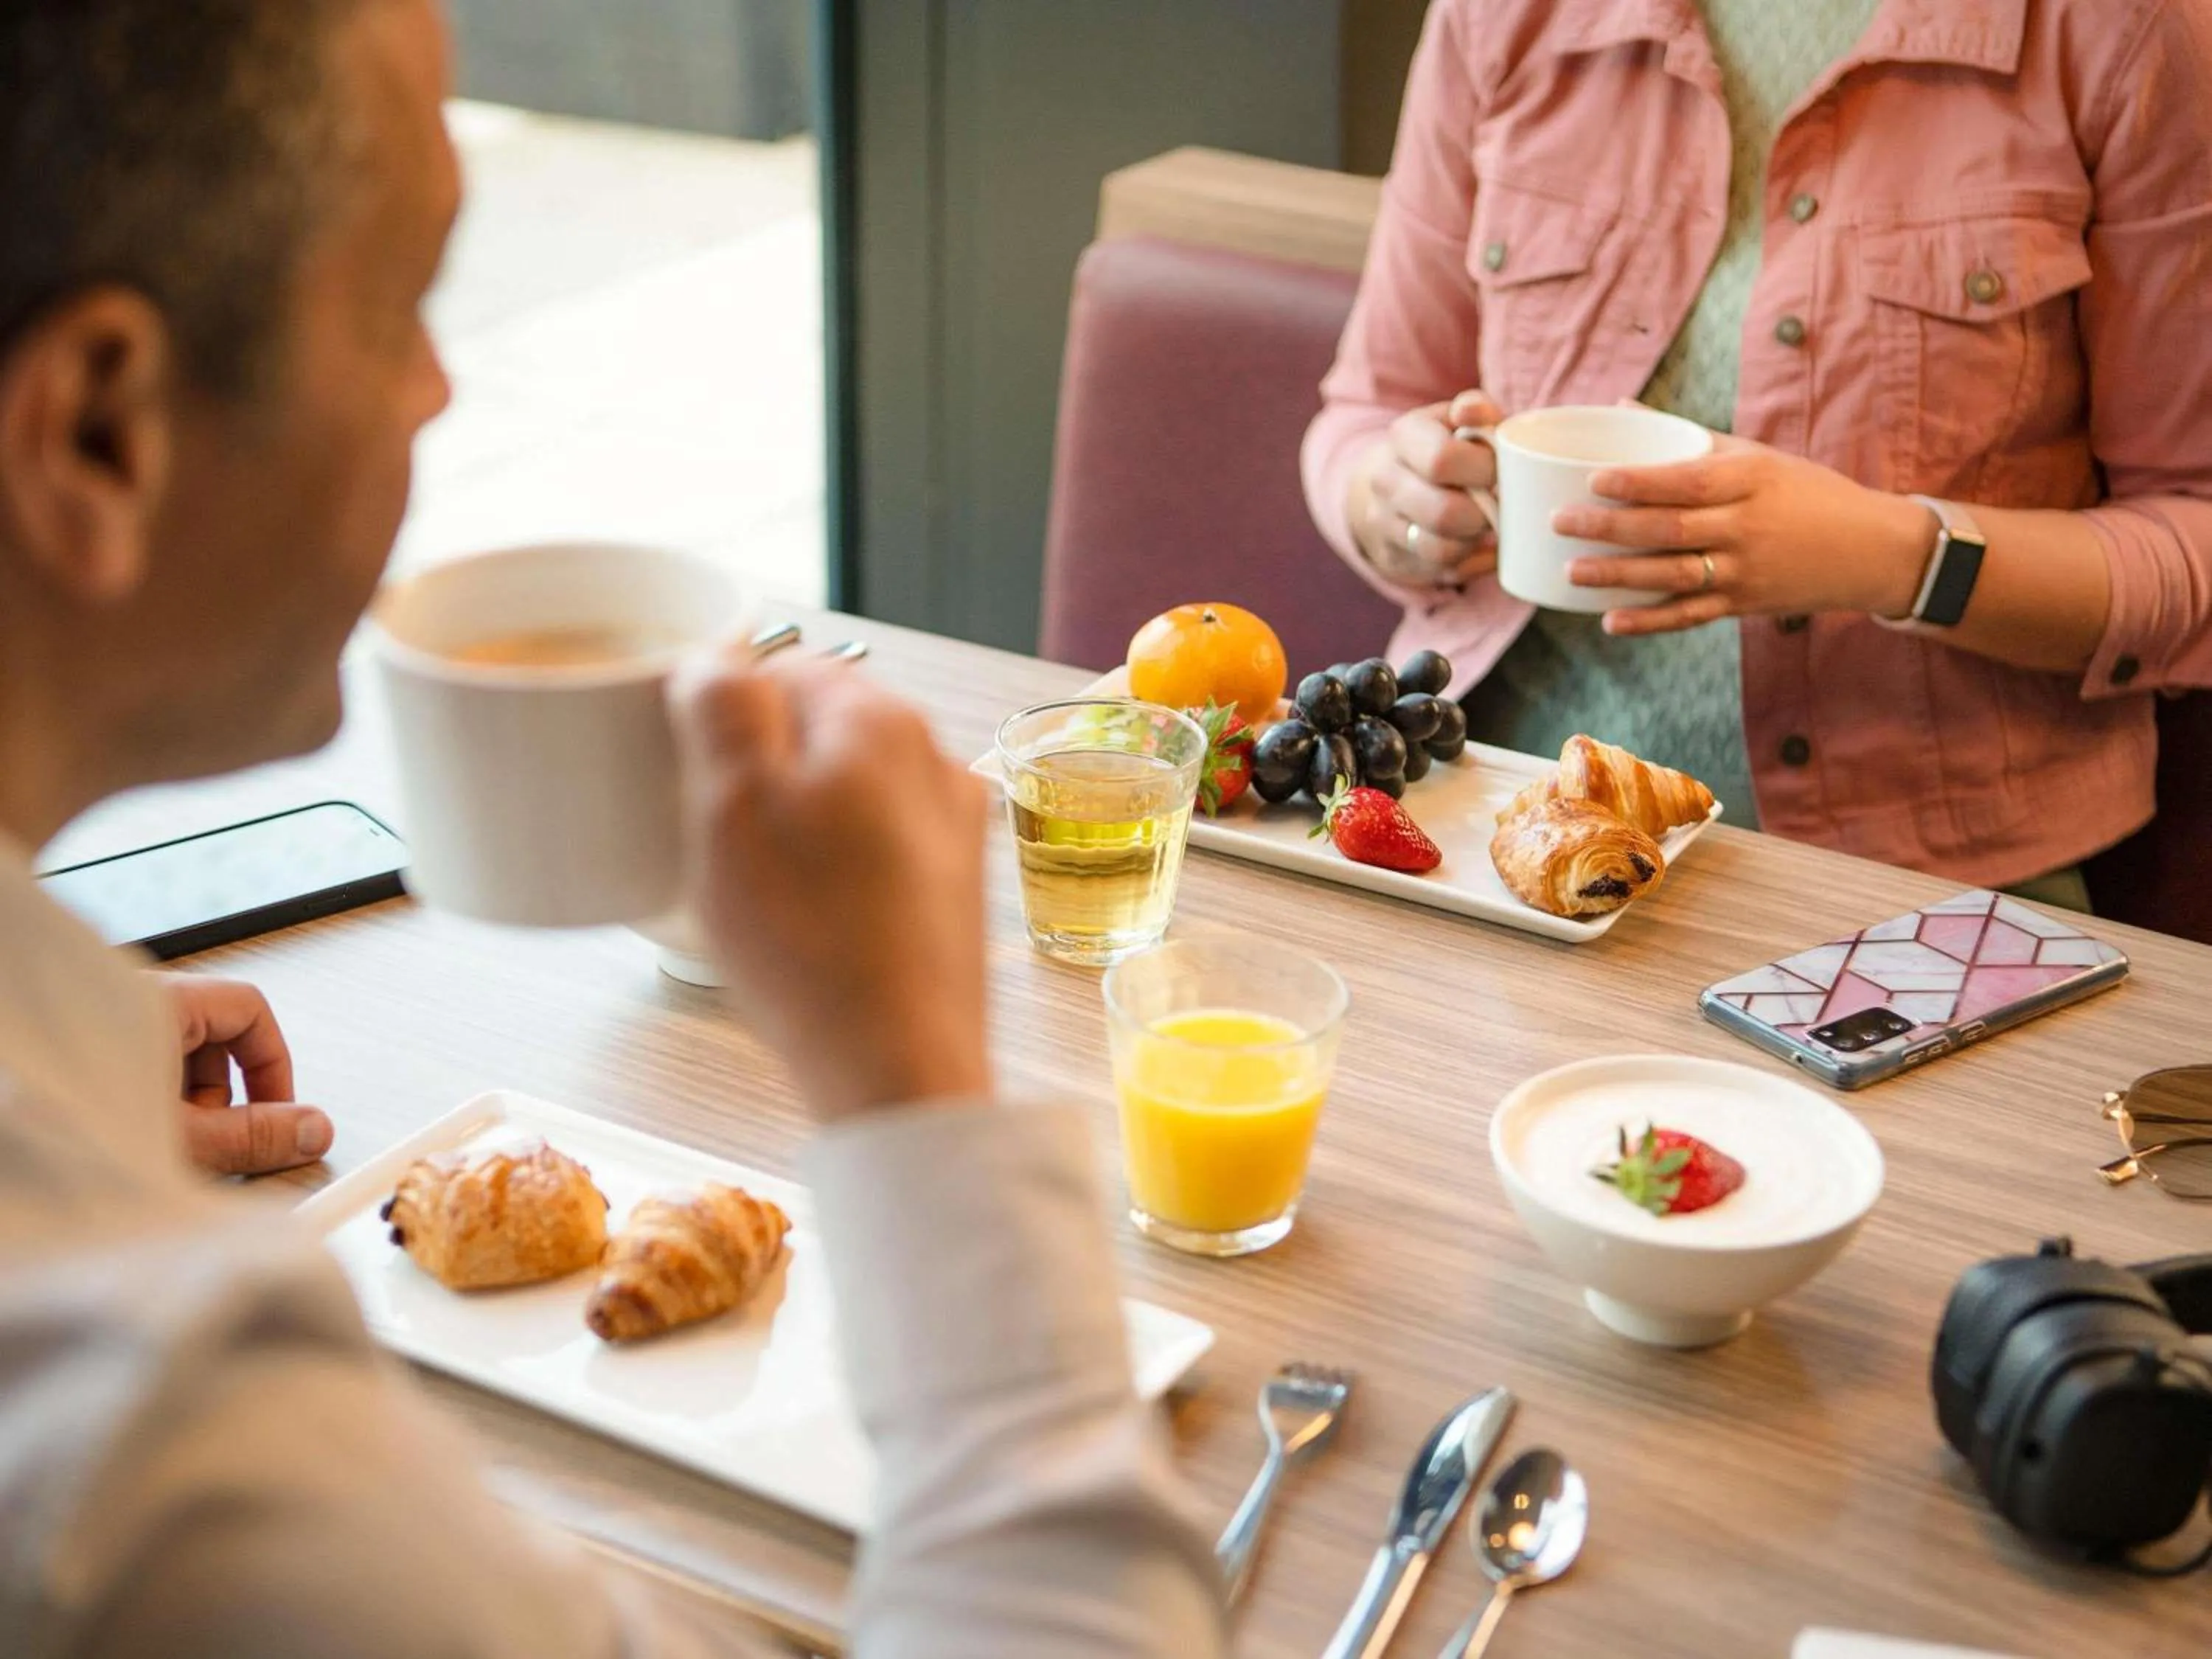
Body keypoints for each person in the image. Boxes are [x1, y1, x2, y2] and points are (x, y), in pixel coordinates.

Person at [0, 3, 1225, 1655]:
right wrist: (920, 1095)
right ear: (96, 434)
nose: (439, 391)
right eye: (402, 305)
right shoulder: (152, 1437)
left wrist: (46, 1073)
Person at [1303, 0, 2212, 904]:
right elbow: (1366, 413)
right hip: (1492, 818)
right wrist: (1389, 501)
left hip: (1923, 886)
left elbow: (2192, 531)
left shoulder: (2127, 29)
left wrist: (1898, 560)